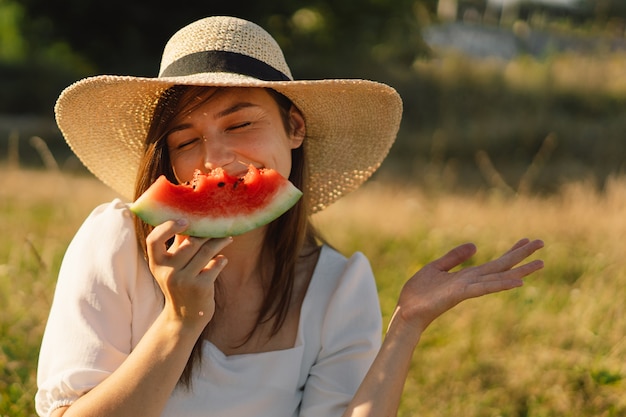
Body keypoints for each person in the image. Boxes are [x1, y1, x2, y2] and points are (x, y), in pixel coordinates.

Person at [35, 15, 544, 417]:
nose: (216, 158)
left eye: (241, 123)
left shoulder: (339, 285)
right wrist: (180, 320)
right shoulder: (116, 242)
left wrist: (407, 325)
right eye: (186, 141)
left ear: (293, 127)